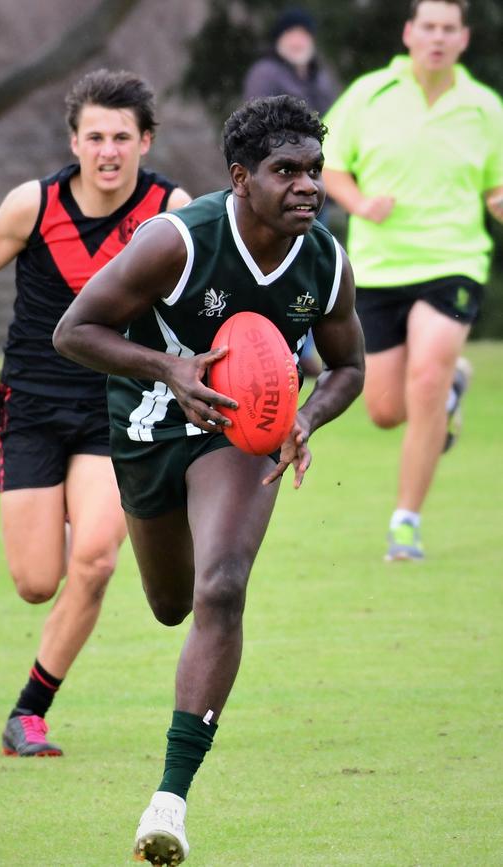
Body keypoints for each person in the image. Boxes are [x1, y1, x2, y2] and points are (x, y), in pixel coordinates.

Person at [53, 94, 365, 864]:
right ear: (240, 177)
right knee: (170, 604)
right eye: (285, 170)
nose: (307, 186)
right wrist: (170, 367)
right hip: (147, 421)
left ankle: (169, 800)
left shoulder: (323, 261)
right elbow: (74, 332)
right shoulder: (176, 243)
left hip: (241, 432)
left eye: (314, 171)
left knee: (221, 589)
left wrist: (306, 416)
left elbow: (350, 366)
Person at [0, 69, 190, 757]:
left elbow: (202, 293)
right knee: (35, 580)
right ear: (74, 141)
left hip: (115, 404)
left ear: (146, 141)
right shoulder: (32, 204)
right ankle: (73, 506)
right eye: (96, 137)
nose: (109, 151)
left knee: (98, 558)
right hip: (33, 405)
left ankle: (30, 712)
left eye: (122, 138)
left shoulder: (170, 208)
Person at [323, 0, 503, 561]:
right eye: (428, 26)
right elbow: (329, 162)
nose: (438, 37)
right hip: (377, 269)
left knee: (425, 377)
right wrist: (357, 202)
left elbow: (496, 189)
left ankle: (406, 522)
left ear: (463, 39)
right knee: (383, 410)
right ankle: (452, 391)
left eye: (449, 28)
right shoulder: (370, 93)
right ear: (409, 32)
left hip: (453, 261)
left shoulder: (485, 107)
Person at [243, 7, 341, 377]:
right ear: (280, 41)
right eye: (292, 36)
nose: (299, 41)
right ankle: (279, 344)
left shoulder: (320, 77)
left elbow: (335, 123)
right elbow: (259, 125)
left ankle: (306, 344)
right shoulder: (266, 73)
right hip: (276, 189)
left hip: (315, 184)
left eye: (304, 35)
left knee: (313, 261)